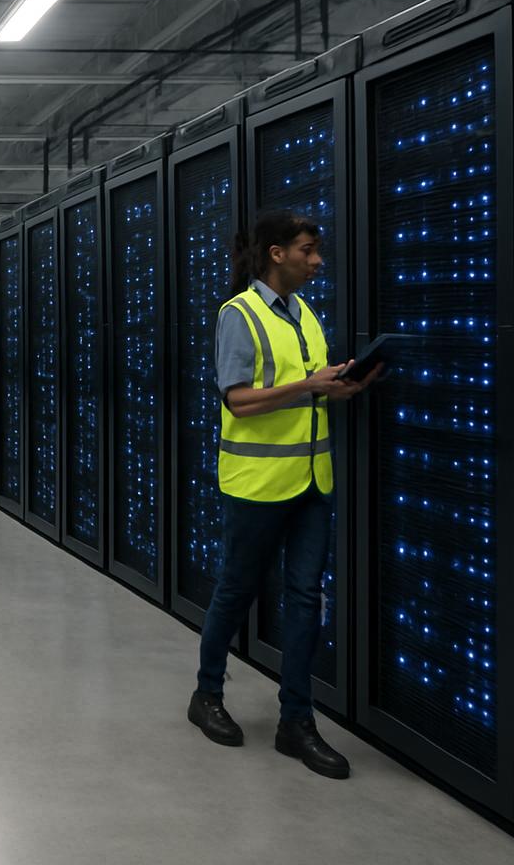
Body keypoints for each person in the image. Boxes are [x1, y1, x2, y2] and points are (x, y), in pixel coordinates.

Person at [186, 209, 380, 780]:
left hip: (313, 482)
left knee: (306, 599)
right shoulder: (238, 314)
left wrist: (344, 386)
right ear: (276, 253)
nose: (317, 260)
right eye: (307, 250)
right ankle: (206, 695)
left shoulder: (305, 315)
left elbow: (307, 397)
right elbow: (238, 399)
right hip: (258, 484)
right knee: (236, 591)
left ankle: (297, 723)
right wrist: (309, 385)